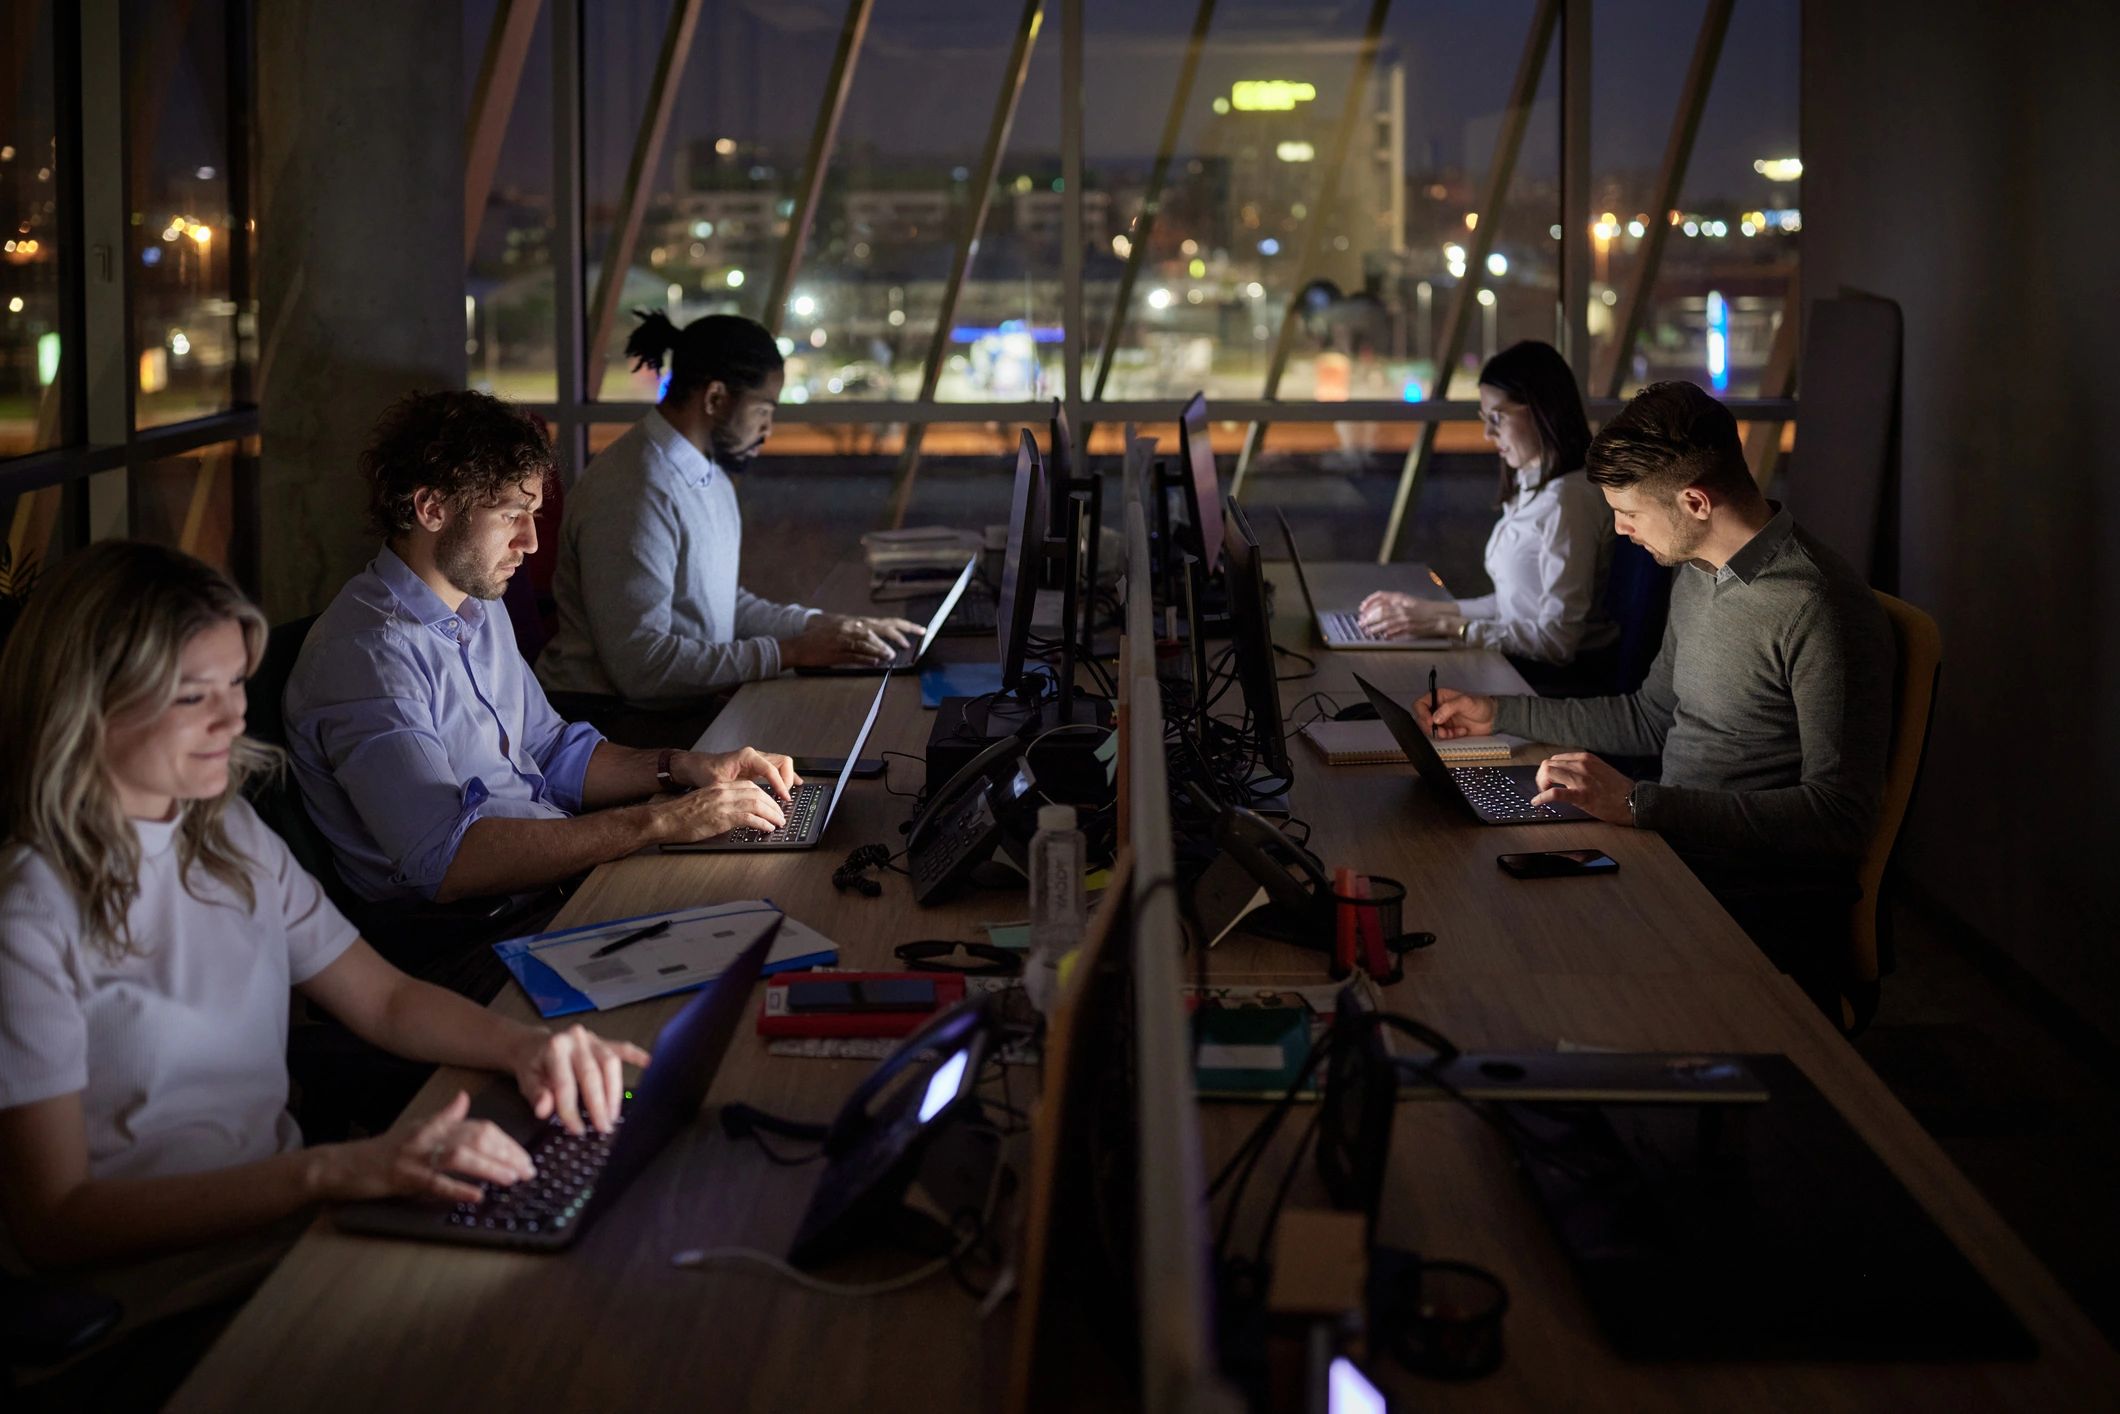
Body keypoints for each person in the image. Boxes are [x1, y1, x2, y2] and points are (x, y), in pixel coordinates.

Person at [0, 542, 645, 1397]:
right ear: (85, 709)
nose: (233, 722)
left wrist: (527, 1047)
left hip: (294, 1228)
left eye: (236, 686)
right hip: (154, 1292)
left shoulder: (222, 833)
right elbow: (57, 1224)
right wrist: (337, 1171)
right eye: (195, 696)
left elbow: (380, 999)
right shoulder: (28, 912)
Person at [284, 391, 800, 990]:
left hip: (541, 896)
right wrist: (658, 824)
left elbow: (554, 751)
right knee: (746, 959)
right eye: (510, 515)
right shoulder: (365, 655)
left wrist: (684, 768)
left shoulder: (477, 606)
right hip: (463, 939)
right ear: (430, 508)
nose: (530, 542)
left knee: (768, 909)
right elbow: (447, 861)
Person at [1417, 380, 1895, 1006]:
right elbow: (1650, 720)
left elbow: (1841, 818)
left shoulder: (1818, 606)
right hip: (1670, 848)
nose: (1618, 530)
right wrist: (1499, 714)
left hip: (1747, 890)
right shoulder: (1699, 569)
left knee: (1511, 948)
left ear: (1696, 501)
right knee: (1466, 889)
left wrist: (1640, 806)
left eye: (1629, 513)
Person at [536, 311, 924, 745]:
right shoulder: (636, 490)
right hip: (606, 722)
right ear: (716, 398)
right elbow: (642, 669)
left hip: (668, 706)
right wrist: (790, 652)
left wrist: (820, 627)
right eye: (763, 410)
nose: (768, 430)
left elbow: (718, 606)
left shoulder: (706, 473)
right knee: (812, 741)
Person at [1357, 341, 1619, 693]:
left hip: (1549, 683)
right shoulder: (1535, 487)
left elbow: (1556, 643)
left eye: (1497, 418)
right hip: (1522, 668)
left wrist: (1446, 626)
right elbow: (1517, 606)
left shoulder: (1567, 501)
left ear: (1541, 409)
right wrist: (1427, 611)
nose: (1487, 434)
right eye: (1485, 420)